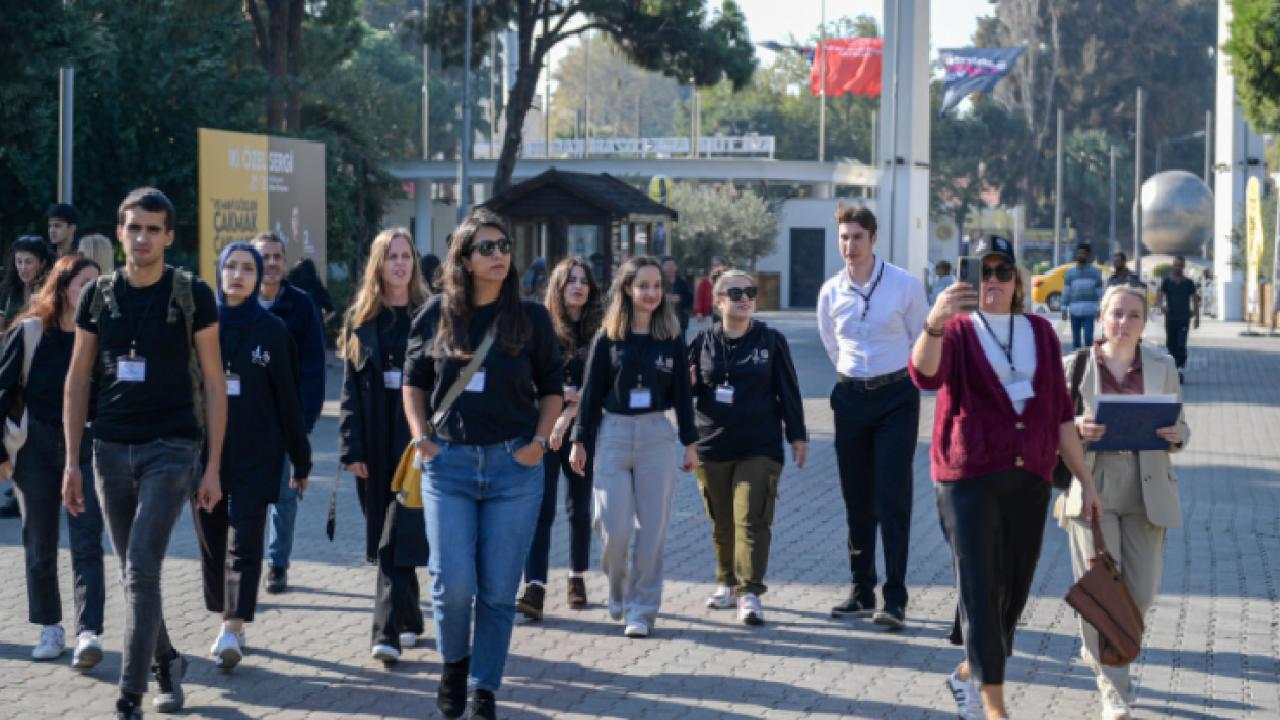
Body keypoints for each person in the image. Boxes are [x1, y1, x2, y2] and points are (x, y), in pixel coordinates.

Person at [908, 235, 1101, 720]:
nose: (992, 280)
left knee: (1010, 596)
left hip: (1029, 479)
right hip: (967, 477)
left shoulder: (1040, 332)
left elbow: (1060, 413)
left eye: (1002, 271)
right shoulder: (955, 330)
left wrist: (1084, 478)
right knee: (979, 587)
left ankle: (966, 675)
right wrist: (934, 322)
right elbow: (924, 376)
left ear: (1017, 280)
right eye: (983, 271)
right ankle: (994, 708)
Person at [62, 187, 227, 719]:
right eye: (134, 227)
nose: (143, 238)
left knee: (141, 566)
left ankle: (129, 697)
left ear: (169, 237)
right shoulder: (98, 296)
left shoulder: (192, 294)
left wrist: (213, 466)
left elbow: (215, 382)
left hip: (172, 448)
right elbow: (77, 380)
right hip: (109, 449)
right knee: (135, 574)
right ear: (120, 233)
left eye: (154, 229)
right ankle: (167, 662)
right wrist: (71, 461)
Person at [403, 208, 563, 720]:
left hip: (514, 469)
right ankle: (454, 665)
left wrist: (539, 442)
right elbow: (414, 381)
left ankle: (483, 688)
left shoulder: (531, 317)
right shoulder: (436, 313)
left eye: (504, 247)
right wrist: (420, 437)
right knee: (452, 584)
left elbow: (553, 389)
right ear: (465, 259)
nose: (499, 255)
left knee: (497, 591)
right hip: (448, 466)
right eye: (487, 248)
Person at [1058, 284, 1189, 720]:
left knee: (1141, 592)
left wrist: (1179, 434)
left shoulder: (1162, 366)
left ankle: (1097, 645)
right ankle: (1114, 689)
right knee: (1101, 591)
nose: (1123, 322)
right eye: (1116, 313)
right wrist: (1077, 426)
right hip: (1092, 485)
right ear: (1102, 317)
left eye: (1134, 315)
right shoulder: (1075, 366)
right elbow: (1050, 426)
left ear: (1145, 322)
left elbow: (1182, 424)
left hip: (1147, 488)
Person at [193, 243, 311, 671]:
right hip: (206, 455)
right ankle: (225, 614)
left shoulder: (273, 331)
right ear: (219, 272)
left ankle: (232, 625)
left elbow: (288, 401)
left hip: (258, 454)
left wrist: (300, 458)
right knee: (213, 542)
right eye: (231, 266)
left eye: (248, 268)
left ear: (259, 277)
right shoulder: (201, 325)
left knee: (244, 541)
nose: (238, 275)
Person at [569, 255, 698, 639]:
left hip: (656, 436)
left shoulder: (672, 338)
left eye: (657, 286)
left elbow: (683, 395)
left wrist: (690, 443)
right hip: (614, 433)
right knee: (615, 528)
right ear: (627, 289)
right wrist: (579, 441)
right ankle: (618, 588)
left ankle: (641, 610)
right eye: (643, 286)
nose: (652, 293)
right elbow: (590, 394)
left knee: (651, 532)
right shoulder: (607, 338)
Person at [817, 206, 928, 630]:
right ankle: (861, 589)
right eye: (844, 237)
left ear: (874, 239)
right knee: (856, 498)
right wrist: (855, 378)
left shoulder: (904, 285)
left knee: (892, 497)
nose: (850, 245)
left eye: (857, 237)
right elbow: (832, 343)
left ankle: (894, 596)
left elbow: (921, 339)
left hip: (896, 397)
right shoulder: (830, 291)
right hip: (850, 398)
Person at [0, 256, 104, 667]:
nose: (93, 292)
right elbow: (3, 390)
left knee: (87, 539)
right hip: (37, 445)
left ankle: (88, 631)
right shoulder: (30, 332)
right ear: (62, 286)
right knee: (40, 542)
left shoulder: (102, 336)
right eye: (84, 283)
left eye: (98, 284)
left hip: (87, 446)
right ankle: (50, 626)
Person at [688, 270, 807, 625]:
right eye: (735, 292)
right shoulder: (702, 342)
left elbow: (788, 390)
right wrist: (686, 389)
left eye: (750, 292)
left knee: (751, 519)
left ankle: (749, 592)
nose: (745, 298)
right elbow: (682, 392)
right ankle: (726, 582)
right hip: (711, 445)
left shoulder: (771, 341)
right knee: (722, 521)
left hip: (759, 445)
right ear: (718, 301)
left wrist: (797, 435)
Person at [338, 227, 429, 665]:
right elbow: (349, 391)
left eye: (405, 256)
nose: (400, 263)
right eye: (391, 256)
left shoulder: (429, 316)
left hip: (413, 442)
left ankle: (386, 631)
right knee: (384, 534)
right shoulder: (361, 320)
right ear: (379, 264)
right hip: (373, 443)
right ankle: (410, 616)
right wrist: (350, 449)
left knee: (397, 534)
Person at [516, 257, 603, 620]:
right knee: (541, 507)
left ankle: (576, 576)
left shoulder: (600, 330)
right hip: (543, 427)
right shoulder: (540, 325)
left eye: (583, 281)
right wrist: (553, 396)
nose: (578, 287)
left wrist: (573, 405)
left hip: (583, 430)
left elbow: (603, 384)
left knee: (578, 507)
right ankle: (535, 585)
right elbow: (524, 377)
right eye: (571, 281)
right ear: (558, 286)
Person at [252, 232, 326, 594]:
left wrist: (304, 421)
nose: (271, 263)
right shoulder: (236, 302)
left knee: (285, 494)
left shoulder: (301, 305)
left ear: (284, 261)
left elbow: (314, 367)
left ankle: (277, 564)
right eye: (264, 256)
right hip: (245, 420)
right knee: (246, 497)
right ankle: (244, 562)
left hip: (287, 419)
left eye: (276, 257)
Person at [1158, 256, 1199, 382]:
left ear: (1183, 267)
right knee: (1171, 343)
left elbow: (1194, 299)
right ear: (1173, 266)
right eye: (1176, 265)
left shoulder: (1189, 283)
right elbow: (1160, 295)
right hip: (1171, 318)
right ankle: (1172, 368)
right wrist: (1162, 306)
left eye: (1180, 265)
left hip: (1184, 318)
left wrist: (1197, 316)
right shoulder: (1167, 281)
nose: (1177, 268)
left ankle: (1180, 369)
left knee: (1181, 343)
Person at [0, 236, 54, 332]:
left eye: (28, 262)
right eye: (19, 261)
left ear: (42, 263)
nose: (23, 267)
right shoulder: (9, 289)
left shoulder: (50, 292)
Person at [1063, 243, 1105, 350]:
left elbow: (1100, 292)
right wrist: (1063, 308)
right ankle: (1077, 359)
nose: (1081, 255)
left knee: (1088, 338)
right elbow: (1066, 291)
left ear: (1088, 255)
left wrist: (1101, 308)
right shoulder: (1070, 273)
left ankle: (1089, 358)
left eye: (1084, 253)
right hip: (1074, 310)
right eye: (1079, 253)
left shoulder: (1095, 272)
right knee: (1076, 340)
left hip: (1089, 310)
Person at [661, 255, 694, 337]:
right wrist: (663, 298)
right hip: (661, 323)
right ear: (662, 267)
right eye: (667, 266)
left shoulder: (683, 283)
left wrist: (680, 298)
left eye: (672, 265)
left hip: (679, 322)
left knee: (680, 343)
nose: (670, 268)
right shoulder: (658, 283)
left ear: (676, 267)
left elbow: (690, 299)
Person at [693, 256, 727, 327]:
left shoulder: (728, 280)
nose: (716, 267)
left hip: (725, 314)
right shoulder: (705, 282)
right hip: (709, 315)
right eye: (714, 265)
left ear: (723, 266)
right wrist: (699, 312)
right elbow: (699, 298)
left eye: (718, 265)